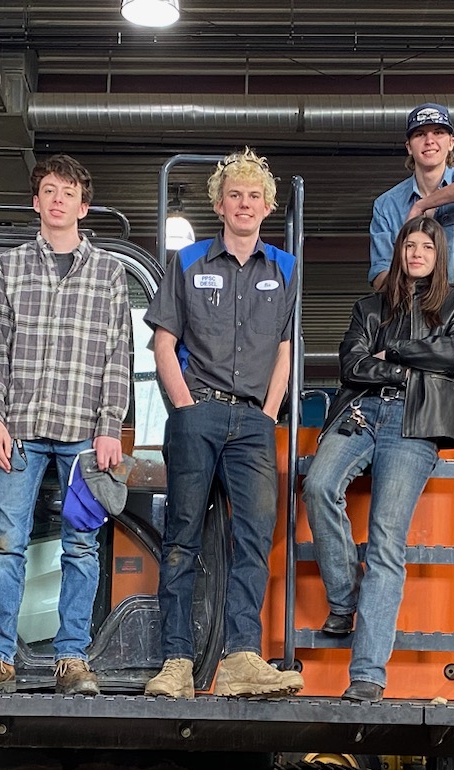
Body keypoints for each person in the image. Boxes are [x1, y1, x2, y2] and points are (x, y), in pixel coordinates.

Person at [0, 154, 133, 696]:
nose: (58, 199)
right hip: (21, 429)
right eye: (49, 190)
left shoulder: (109, 272)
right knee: (7, 542)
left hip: (84, 432)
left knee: (81, 546)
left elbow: (117, 353)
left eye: (69, 191)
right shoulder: (10, 267)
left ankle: (72, 658)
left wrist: (109, 427)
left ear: (84, 204)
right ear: (37, 202)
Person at [143, 148, 304, 700]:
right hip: (198, 415)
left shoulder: (284, 268)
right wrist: (186, 407)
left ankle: (240, 659)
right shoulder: (187, 262)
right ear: (218, 204)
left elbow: (285, 350)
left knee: (253, 541)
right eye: (234, 194)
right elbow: (164, 344)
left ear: (267, 207)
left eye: (254, 196)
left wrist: (267, 413)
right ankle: (176, 664)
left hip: (254, 423)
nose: (244, 203)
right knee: (181, 540)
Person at [304, 218, 454, 703]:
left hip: (415, 422)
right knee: (318, 486)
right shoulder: (369, 306)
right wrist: (411, 366)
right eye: (410, 245)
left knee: (385, 541)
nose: (417, 252)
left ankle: (368, 675)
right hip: (361, 411)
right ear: (398, 251)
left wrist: (394, 350)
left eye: (427, 246)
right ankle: (345, 599)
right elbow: (351, 364)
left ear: (438, 254)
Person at [369, 103, 454, 290]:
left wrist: (421, 206)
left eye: (438, 132)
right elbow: (380, 278)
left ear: (451, 143)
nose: (429, 140)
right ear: (409, 147)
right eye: (420, 134)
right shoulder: (386, 205)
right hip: (409, 310)